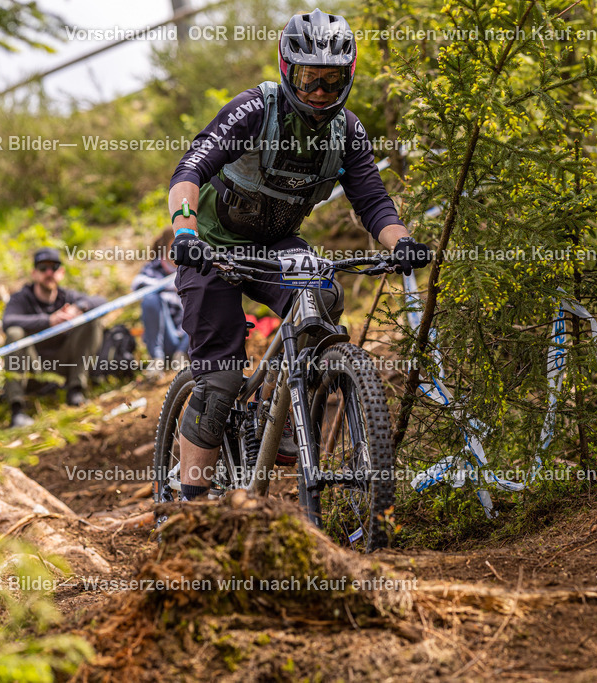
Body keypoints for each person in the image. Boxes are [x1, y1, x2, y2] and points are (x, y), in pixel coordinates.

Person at [166, 9, 433, 502]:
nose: (319, 93)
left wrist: (402, 244)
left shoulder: (347, 132)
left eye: (332, 83)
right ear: (289, 71)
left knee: (324, 299)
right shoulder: (254, 111)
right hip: (210, 246)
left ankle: (277, 411)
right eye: (310, 79)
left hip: (273, 246)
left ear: (347, 80)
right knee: (219, 378)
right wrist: (184, 232)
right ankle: (190, 508)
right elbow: (191, 169)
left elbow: (373, 202)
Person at [2, 247, 106, 427]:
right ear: (34, 273)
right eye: (43, 268)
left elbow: (102, 302)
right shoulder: (21, 298)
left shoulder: (68, 296)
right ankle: (17, 410)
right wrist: (49, 320)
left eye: (54, 267)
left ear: (62, 272)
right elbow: (8, 321)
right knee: (14, 333)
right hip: (34, 368)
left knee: (92, 320)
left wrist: (79, 307)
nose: (49, 273)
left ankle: (76, 391)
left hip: (64, 364)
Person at [132, 231, 189, 381]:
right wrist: (172, 286)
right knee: (150, 300)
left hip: (189, 338)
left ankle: (182, 356)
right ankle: (157, 360)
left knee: (206, 303)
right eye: (173, 247)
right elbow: (138, 284)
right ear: (165, 249)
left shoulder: (192, 268)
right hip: (167, 338)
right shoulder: (153, 269)